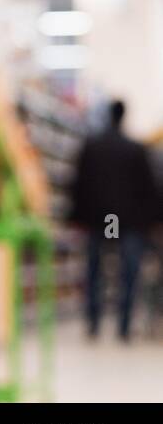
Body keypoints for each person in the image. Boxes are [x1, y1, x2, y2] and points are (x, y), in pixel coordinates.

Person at [69, 99, 160, 341]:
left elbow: (78, 185)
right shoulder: (136, 149)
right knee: (128, 273)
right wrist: (153, 221)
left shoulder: (92, 146)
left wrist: (76, 217)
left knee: (93, 271)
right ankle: (124, 325)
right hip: (128, 222)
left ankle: (93, 322)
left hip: (99, 220)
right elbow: (149, 188)